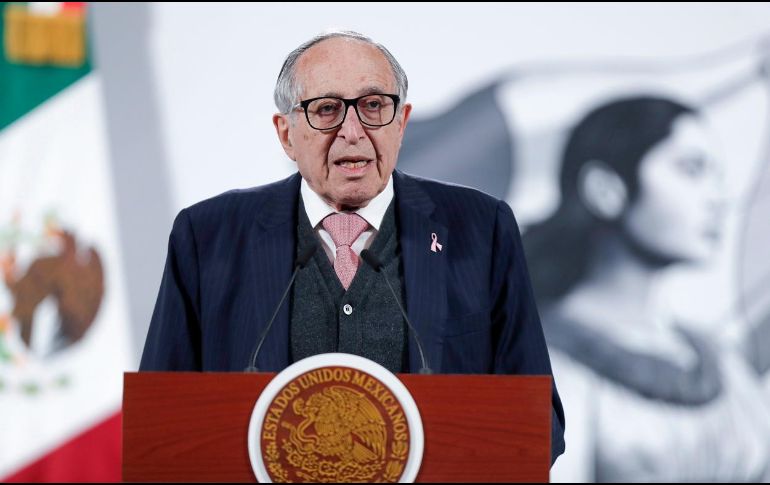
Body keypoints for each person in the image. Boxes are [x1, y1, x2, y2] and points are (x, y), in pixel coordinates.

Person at [139, 30, 565, 464]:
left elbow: (539, 426)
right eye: (326, 110)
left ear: (401, 123)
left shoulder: (480, 230)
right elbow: (160, 428)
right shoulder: (209, 237)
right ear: (286, 134)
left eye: (373, 106)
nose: (353, 131)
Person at [524, 96, 770, 481]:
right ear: (606, 189)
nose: (719, 198)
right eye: (692, 170)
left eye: (717, 177)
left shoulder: (719, 362)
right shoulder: (537, 362)